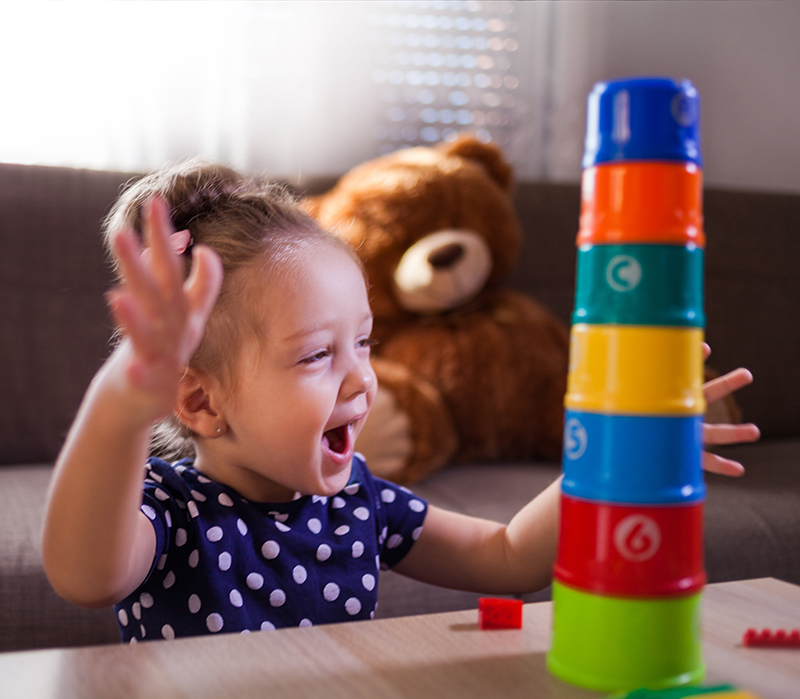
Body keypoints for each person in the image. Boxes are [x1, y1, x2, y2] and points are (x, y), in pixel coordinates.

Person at [41, 162, 760, 643]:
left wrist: (618, 450)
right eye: (320, 354)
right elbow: (86, 574)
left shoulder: (358, 500)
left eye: (366, 342)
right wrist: (121, 403)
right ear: (197, 399)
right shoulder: (167, 509)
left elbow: (510, 557)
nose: (361, 380)